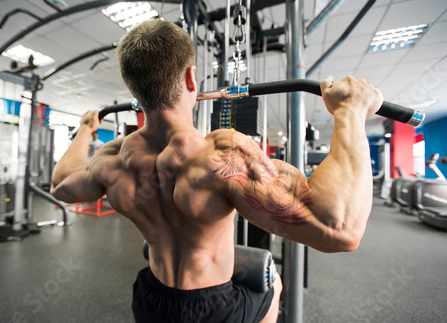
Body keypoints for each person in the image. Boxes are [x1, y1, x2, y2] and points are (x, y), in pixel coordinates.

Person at [51, 19, 383, 323]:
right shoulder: (222, 154)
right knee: (272, 285)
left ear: (133, 90)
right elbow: (341, 230)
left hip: (150, 299)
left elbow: (61, 184)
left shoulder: (112, 159)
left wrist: (84, 130)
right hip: (214, 309)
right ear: (191, 78)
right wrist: (350, 112)